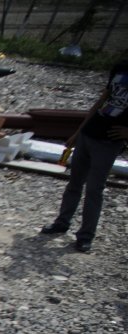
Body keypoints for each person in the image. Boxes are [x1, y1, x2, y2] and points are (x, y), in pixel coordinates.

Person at [41, 56, 128, 253]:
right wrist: (78, 132)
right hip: (89, 134)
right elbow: (101, 101)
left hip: (109, 143)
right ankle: (62, 222)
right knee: (74, 183)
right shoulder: (121, 67)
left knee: (94, 189)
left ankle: (86, 236)